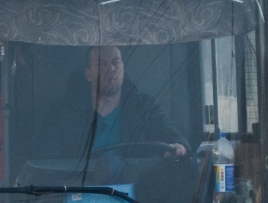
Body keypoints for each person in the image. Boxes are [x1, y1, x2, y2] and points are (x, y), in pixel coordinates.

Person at [61, 45, 189, 160]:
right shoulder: (65, 114)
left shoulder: (145, 108)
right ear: (88, 74)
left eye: (115, 62)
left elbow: (176, 140)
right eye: (102, 64)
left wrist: (178, 147)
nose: (111, 68)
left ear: (123, 68)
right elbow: (48, 160)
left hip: (137, 184)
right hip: (79, 185)